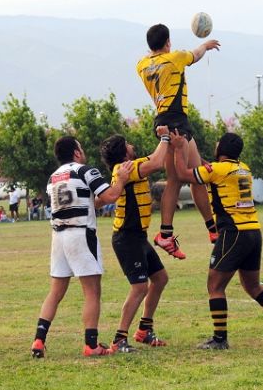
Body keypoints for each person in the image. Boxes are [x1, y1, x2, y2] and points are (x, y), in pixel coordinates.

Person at [171, 131, 263, 349]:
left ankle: (220, 339)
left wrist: (179, 148)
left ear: (221, 149)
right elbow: (213, 169)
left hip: (233, 233)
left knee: (215, 285)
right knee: (252, 285)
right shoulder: (243, 168)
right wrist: (199, 159)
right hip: (252, 231)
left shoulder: (218, 170)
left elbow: (182, 174)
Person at [30, 136, 132, 358]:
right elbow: (111, 195)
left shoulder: (53, 177)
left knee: (55, 292)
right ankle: (91, 345)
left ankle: (39, 340)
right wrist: (121, 179)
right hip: (80, 234)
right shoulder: (86, 171)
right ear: (76, 152)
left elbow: (85, 202)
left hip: (58, 237)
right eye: (81, 148)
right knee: (92, 291)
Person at [137, 23, 221, 260]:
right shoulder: (175, 59)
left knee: (197, 176)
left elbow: (151, 56)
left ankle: (214, 230)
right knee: (175, 180)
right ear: (168, 42)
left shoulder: (141, 64)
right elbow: (196, 54)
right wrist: (206, 45)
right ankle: (165, 234)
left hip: (169, 119)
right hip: (174, 121)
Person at [99, 126, 172, 353]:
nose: (132, 146)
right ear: (124, 153)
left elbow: (157, 159)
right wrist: (165, 136)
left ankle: (144, 330)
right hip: (127, 237)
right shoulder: (124, 168)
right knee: (140, 287)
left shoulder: (130, 166)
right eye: (128, 144)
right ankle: (119, 339)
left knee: (160, 279)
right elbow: (157, 162)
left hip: (138, 236)